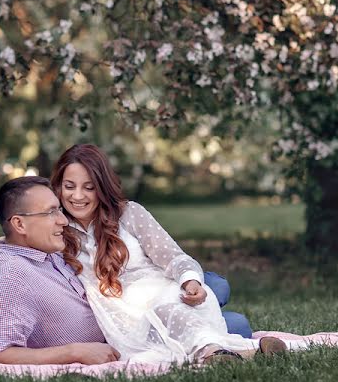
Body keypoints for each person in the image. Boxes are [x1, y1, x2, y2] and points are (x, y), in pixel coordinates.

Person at [47, 144, 283, 364]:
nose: (77, 196)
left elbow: (173, 257)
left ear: (102, 187)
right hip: (127, 316)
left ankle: (215, 350)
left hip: (164, 291)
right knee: (237, 324)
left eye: (89, 187)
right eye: (69, 186)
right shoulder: (54, 227)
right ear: (58, 186)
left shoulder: (129, 214)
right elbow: (20, 236)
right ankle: (242, 349)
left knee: (212, 289)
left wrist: (190, 281)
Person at [0, 176, 120, 365]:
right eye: (51, 212)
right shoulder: (11, 273)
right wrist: (75, 352)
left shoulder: (45, 249)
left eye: (59, 210)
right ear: (20, 224)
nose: (63, 220)